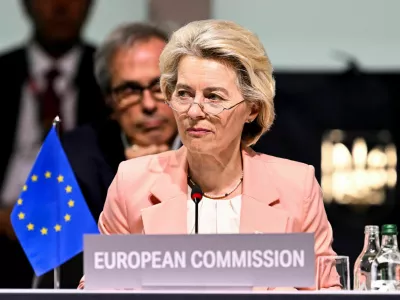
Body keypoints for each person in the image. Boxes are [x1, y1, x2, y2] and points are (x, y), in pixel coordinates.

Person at [79, 19, 339, 290]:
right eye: (183, 94)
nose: (193, 111)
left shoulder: (296, 187)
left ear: (252, 108)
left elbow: (326, 292)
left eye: (213, 97)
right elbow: (96, 290)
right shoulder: (132, 183)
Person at [35, 22, 179, 289]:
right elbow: (77, 273)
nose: (148, 104)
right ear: (109, 102)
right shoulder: (72, 160)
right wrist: (136, 185)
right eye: (129, 91)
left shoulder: (220, 147)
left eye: (159, 86)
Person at [0, 0, 105, 288]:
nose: (60, 6)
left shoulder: (108, 78)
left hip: (81, 231)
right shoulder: (4, 70)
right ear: (25, 5)